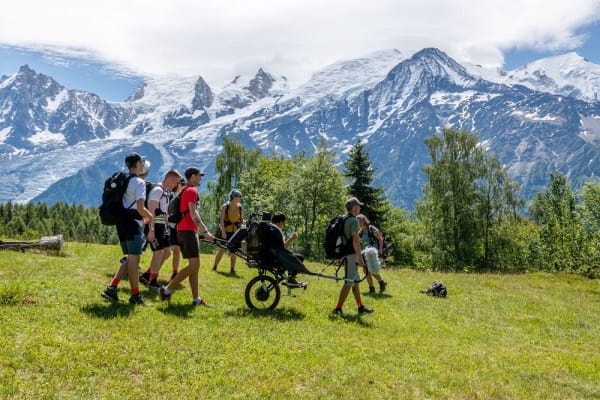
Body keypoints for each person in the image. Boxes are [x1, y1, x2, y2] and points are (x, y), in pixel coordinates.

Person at [101, 153, 154, 305]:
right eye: (142, 161)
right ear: (137, 164)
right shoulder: (139, 182)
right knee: (135, 259)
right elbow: (140, 207)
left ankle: (112, 289)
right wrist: (149, 216)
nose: (143, 164)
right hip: (132, 223)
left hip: (121, 222)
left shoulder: (122, 178)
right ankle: (135, 296)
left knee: (131, 258)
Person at [158, 167, 214, 305]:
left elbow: (191, 212)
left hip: (184, 230)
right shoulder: (192, 190)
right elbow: (193, 213)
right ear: (193, 176)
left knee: (194, 265)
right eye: (199, 175)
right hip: (187, 230)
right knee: (194, 265)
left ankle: (196, 299)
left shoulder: (185, 190)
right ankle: (166, 290)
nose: (201, 178)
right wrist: (205, 231)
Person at [139, 169, 183, 288]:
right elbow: (151, 210)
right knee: (158, 253)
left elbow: (165, 212)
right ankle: (152, 281)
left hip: (162, 226)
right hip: (155, 225)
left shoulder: (166, 191)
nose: (176, 185)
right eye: (176, 182)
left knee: (167, 252)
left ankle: (147, 275)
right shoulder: (158, 190)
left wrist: (167, 226)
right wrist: (151, 229)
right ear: (171, 179)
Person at [332, 197, 373, 316]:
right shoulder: (354, 220)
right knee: (349, 282)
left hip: (347, 253)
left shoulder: (344, 218)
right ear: (354, 207)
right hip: (351, 255)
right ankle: (338, 309)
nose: (360, 207)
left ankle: (360, 306)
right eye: (359, 205)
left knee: (355, 281)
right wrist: (360, 258)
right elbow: (355, 240)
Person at [212, 189, 245, 274]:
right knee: (221, 250)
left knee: (233, 251)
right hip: (226, 231)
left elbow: (242, 220)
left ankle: (232, 269)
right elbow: (221, 220)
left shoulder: (240, 207)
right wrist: (223, 231)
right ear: (234, 197)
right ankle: (215, 267)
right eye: (239, 196)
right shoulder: (225, 206)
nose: (241, 198)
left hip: (235, 232)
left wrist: (245, 223)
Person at [271, 212, 307, 287]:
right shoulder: (277, 231)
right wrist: (291, 238)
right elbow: (283, 247)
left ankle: (288, 276)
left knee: (293, 256)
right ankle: (291, 278)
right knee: (299, 257)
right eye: (283, 223)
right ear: (281, 221)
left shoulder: (271, 229)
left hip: (270, 255)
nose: (283, 225)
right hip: (276, 258)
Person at [357, 214, 387, 294]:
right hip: (364, 252)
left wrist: (380, 249)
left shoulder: (371, 228)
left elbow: (380, 238)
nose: (359, 223)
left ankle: (381, 282)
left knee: (371, 269)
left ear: (363, 221)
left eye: (360, 221)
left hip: (373, 252)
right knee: (365, 269)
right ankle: (372, 288)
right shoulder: (360, 231)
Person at [168, 177, 187, 280]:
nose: (184, 186)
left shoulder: (183, 196)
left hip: (178, 226)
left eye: (185, 184)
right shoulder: (171, 195)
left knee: (176, 249)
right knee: (164, 250)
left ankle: (175, 272)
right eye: (182, 184)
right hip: (169, 225)